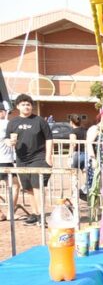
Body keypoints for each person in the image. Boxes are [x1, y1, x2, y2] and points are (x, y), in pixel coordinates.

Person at [7, 94, 52, 225]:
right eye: (23, 104)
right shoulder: (13, 122)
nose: (26, 107)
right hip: (21, 159)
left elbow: (49, 138)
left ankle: (42, 215)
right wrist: (8, 141)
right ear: (18, 106)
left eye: (28, 104)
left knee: (38, 187)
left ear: (32, 106)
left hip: (38, 158)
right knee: (28, 188)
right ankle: (35, 213)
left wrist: (48, 156)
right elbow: (6, 137)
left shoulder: (39, 121)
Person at [0, 107, 18, 221]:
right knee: (15, 185)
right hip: (5, 159)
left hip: (5, 159)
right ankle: (10, 212)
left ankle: (1, 213)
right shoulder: (6, 123)